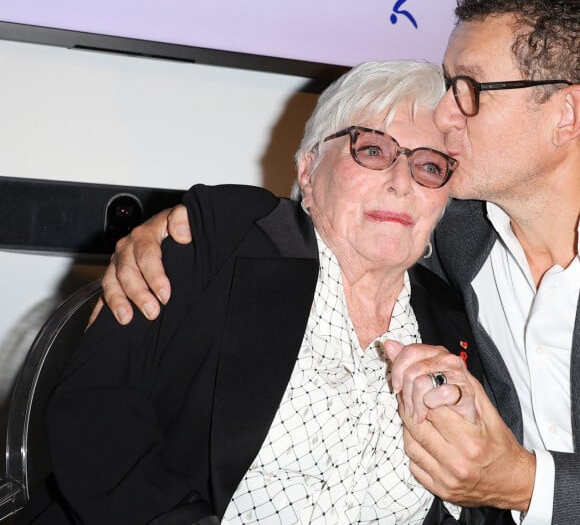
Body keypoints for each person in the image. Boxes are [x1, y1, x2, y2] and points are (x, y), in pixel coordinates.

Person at [98, 0, 580, 524]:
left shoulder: (445, 252)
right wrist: (189, 228)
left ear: (565, 115)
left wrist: (523, 483)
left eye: (469, 87)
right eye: (372, 149)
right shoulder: (455, 230)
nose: (447, 115)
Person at [25, 60, 509, 525]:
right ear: (308, 170)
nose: (402, 183)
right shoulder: (226, 235)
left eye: (428, 166)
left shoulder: (454, 320)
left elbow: (479, 501)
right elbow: (97, 407)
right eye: (374, 151)